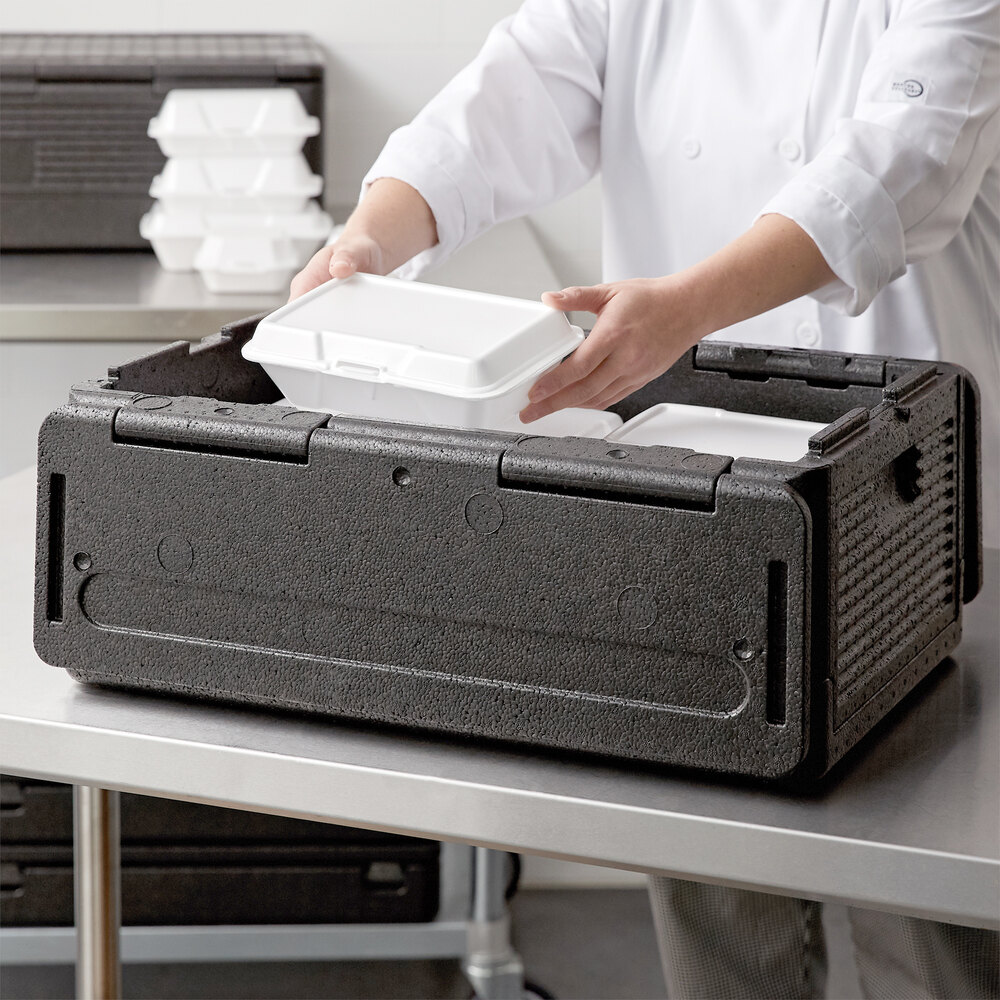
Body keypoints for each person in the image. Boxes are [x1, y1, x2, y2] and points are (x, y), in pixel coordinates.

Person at [290, 2, 1000, 997]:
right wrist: (371, 235)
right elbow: (504, 100)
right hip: (700, 483)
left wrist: (687, 308)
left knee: (927, 913)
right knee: (718, 899)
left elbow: (898, 161)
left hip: (907, 496)